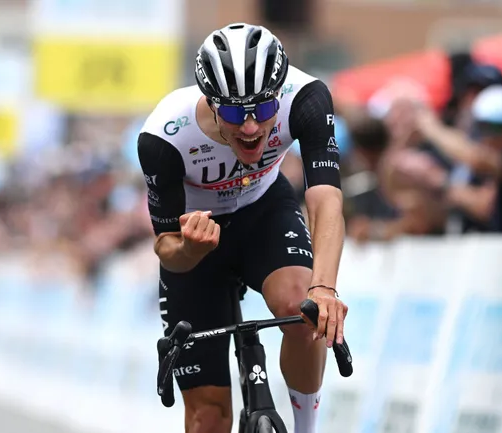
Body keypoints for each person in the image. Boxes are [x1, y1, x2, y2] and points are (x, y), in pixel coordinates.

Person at [137, 23, 347, 433]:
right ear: (211, 103)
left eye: (263, 110)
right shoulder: (163, 136)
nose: (251, 127)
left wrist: (323, 289)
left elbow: (326, 199)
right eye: (235, 112)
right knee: (209, 417)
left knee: (300, 312)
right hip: (196, 235)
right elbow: (166, 247)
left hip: (263, 210)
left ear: (278, 96)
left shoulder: (305, 97)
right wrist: (192, 249)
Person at [412, 85, 502, 232]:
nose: (485, 138)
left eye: (490, 128)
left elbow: (475, 158)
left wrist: (431, 127)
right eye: (480, 128)